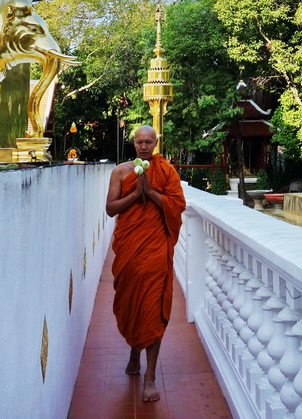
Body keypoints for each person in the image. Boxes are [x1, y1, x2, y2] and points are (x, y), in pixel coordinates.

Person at [105, 124, 186, 403]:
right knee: (131, 303)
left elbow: (177, 205)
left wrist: (150, 192)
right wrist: (135, 194)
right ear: (133, 142)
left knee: (152, 309)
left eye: (149, 142)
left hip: (154, 251)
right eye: (140, 142)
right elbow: (110, 209)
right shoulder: (120, 172)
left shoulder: (167, 172)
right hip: (129, 250)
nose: (144, 147)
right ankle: (134, 351)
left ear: (155, 142)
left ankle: (149, 376)